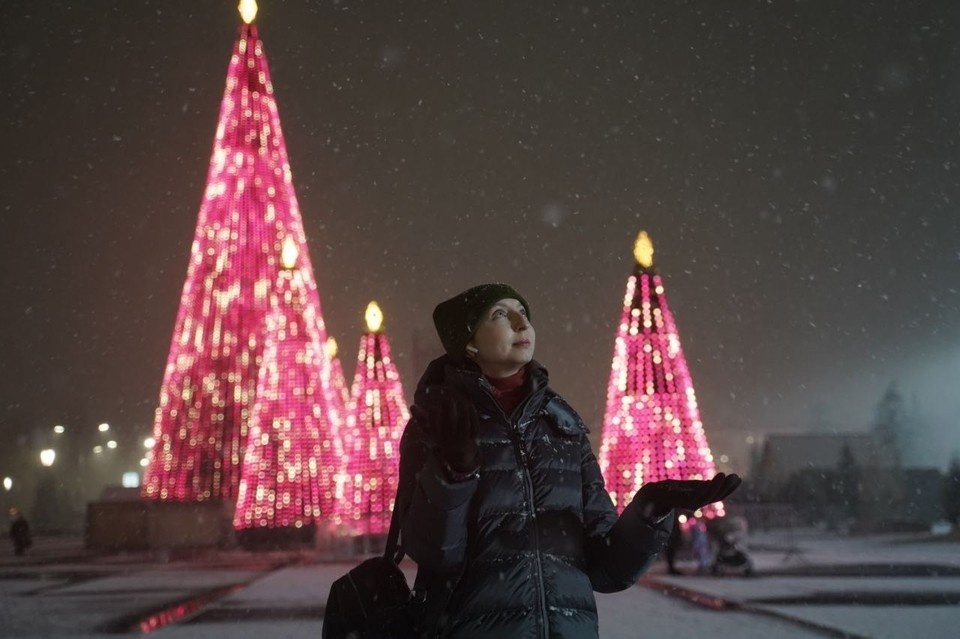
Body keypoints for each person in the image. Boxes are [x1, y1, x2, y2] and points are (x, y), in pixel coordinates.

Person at [398, 283, 741, 638]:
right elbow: (434, 555)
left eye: (523, 313)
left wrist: (650, 511)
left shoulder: (562, 425)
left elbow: (606, 569)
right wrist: (454, 473)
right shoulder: (436, 425)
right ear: (468, 343)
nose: (521, 323)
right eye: (500, 315)